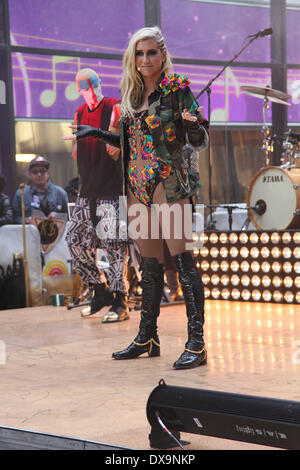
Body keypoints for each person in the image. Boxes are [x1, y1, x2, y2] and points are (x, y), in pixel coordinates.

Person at [63, 27, 209, 370]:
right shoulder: (129, 95)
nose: (145, 60)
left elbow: (200, 138)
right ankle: (147, 337)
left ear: (162, 55)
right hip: (137, 186)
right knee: (150, 266)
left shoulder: (177, 90)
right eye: (139, 53)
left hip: (169, 183)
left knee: (183, 262)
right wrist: (96, 132)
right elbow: (126, 144)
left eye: (151, 53)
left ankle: (197, 343)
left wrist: (191, 125)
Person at [65, 68, 129, 322]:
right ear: (80, 91)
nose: (92, 91)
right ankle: (98, 290)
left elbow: (118, 148)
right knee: (74, 239)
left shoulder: (115, 106)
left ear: (99, 84)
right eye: (86, 87)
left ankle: (120, 300)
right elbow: (75, 152)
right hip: (87, 190)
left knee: (114, 245)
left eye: (94, 85)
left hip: (112, 189)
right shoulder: (79, 113)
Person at [12, 156, 68, 224]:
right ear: (30, 174)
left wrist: (58, 216)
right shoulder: (21, 194)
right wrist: (27, 220)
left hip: (55, 232)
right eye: (35, 172)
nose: (39, 174)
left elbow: (68, 217)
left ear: (48, 173)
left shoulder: (61, 193)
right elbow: (14, 218)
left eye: (42, 171)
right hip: (30, 233)